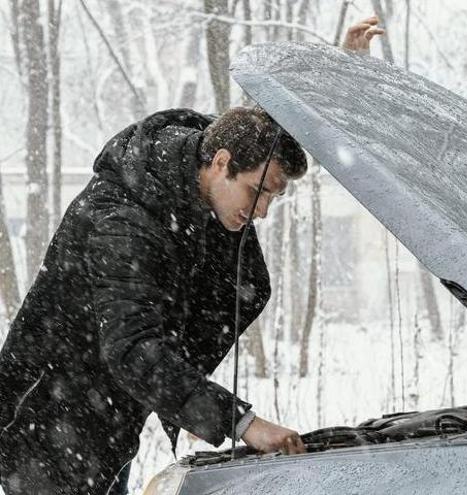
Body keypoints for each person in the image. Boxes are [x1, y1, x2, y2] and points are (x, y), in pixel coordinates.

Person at [0, 16, 384, 495]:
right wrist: (241, 421)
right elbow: (133, 347)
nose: (261, 211)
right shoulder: (123, 221)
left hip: (106, 413)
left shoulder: (211, 160)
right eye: (256, 193)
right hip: (50, 424)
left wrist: (339, 79)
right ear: (220, 164)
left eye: (273, 198)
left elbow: (271, 128)